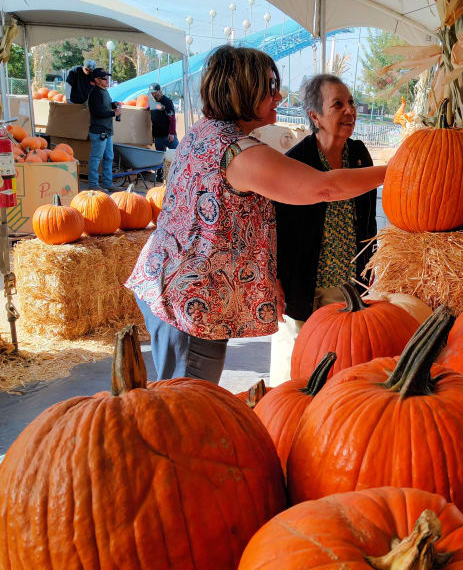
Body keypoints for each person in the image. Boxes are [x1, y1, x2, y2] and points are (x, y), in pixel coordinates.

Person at [125, 45, 387, 384]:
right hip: (191, 302)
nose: (277, 96)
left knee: (181, 398)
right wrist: (394, 172)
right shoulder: (238, 152)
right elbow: (323, 189)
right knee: (189, 404)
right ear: (243, 91)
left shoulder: (206, 132)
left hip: (171, 286)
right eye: (269, 87)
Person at [269, 74, 378, 386]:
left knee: (338, 375)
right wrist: (274, 279)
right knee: (291, 379)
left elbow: (367, 221)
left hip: (345, 286)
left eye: (351, 103)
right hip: (301, 288)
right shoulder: (296, 161)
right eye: (338, 105)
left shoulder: (359, 156)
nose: (349, 111)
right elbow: (278, 230)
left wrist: (367, 271)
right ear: (315, 116)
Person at [87, 68, 121, 192]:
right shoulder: (95, 93)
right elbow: (97, 112)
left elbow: (104, 106)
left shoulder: (104, 91)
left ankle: (107, 183)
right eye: (103, 78)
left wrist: (113, 104)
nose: (107, 80)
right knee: (96, 158)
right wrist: (114, 112)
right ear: (96, 80)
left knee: (108, 157)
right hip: (98, 131)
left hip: (106, 131)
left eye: (107, 77)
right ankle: (93, 184)